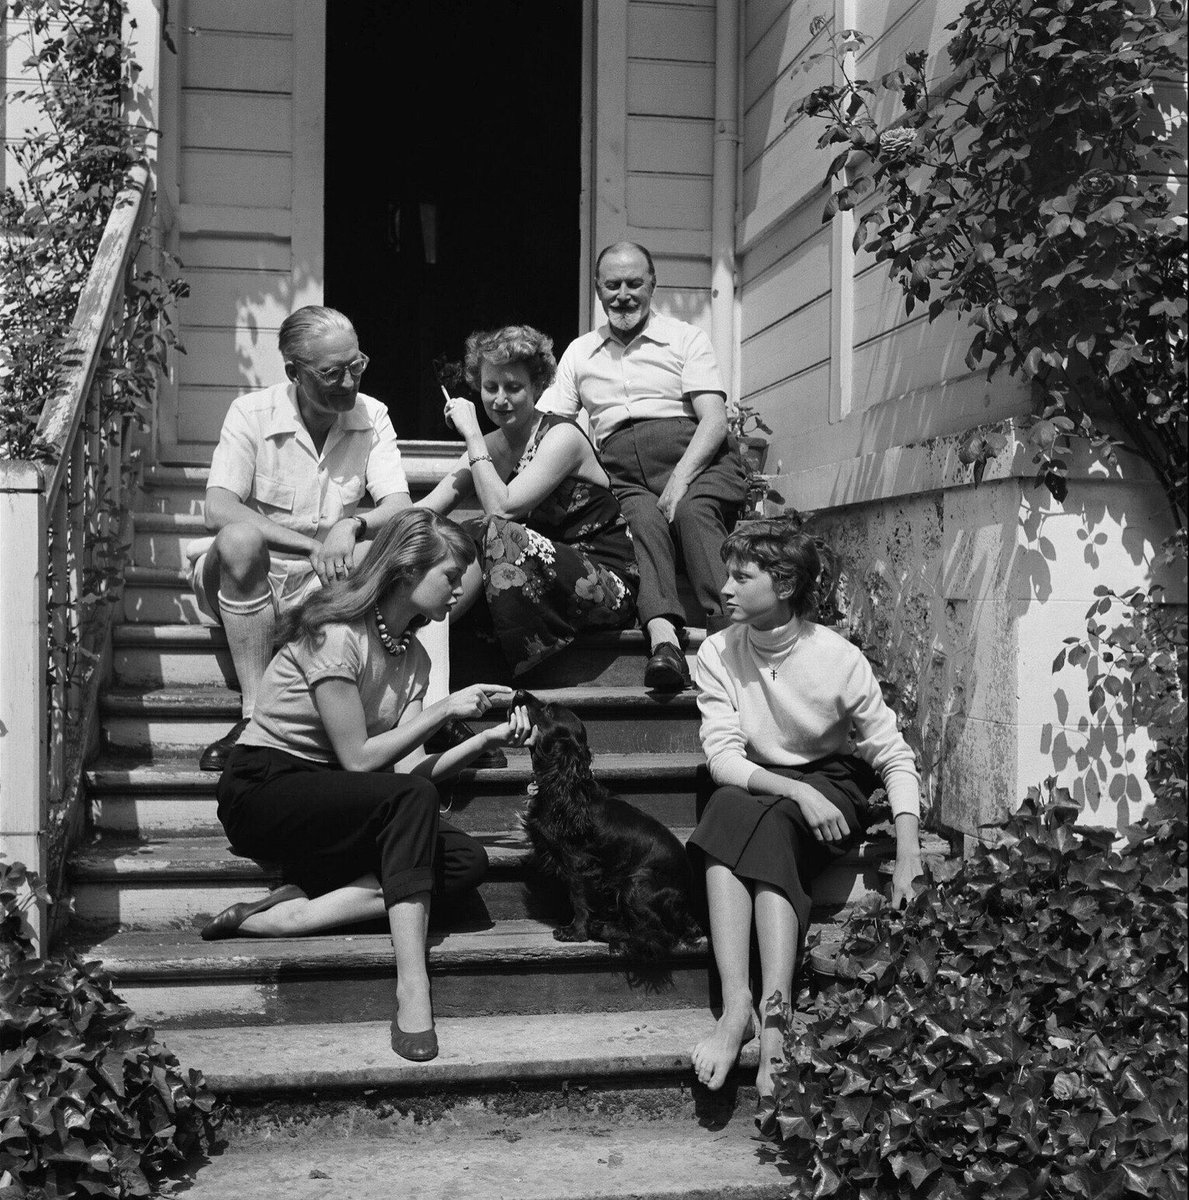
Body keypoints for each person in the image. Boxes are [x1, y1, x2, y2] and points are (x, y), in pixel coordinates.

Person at [201, 509, 531, 1062]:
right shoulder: (336, 634)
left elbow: (408, 776)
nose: (459, 591)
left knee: (464, 860)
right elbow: (359, 760)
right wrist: (446, 708)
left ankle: (295, 915)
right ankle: (412, 985)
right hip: (265, 787)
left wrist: (484, 741)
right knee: (416, 814)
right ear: (407, 570)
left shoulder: (415, 658)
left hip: (334, 801)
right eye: (451, 576)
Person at [686, 517, 923, 1128]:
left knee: (760, 824)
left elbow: (893, 756)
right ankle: (739, 1007)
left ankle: (774, 1018)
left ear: (785, 585)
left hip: (832, 782)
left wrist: (908, 852)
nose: (725, 588)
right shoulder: (717, 652)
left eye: (743, 577)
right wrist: (793, 788)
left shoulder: (837, 658)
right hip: (761, 782)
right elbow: (723, 758)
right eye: (728, 575)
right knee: (727, 806)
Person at [187, 306, 489, 772]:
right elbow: (219, 508)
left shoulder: (372, 414)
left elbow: (398, 505)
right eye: (332, 372)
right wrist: (311, 545)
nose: (349, 382)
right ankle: (252, 716)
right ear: (295, 373)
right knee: (240, 539)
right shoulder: (251, 412)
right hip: (249, 581)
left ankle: (428, 711)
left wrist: (352, 526)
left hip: (326, 583)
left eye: (356, 365)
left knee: (414, 558)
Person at [538, 242, 747, 692]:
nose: (623, 295)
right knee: (641, 521)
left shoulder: (685, 338)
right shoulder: (580, 352)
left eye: (634, 283)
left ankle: (732, 637)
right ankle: (665, 642)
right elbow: (552, 423)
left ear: (653, 284)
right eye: (612, 285)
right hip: (624, 473)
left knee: (693, 512)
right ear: (598, 289)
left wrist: (679, 480)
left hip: (698, 459)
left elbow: (713, 421)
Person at [420, 324, 639, 678]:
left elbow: (501, 509)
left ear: (537, 387)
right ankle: (417, 635)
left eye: (513, 387)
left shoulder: (562, 436)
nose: (499, 399)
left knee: (490, 530)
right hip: (535, 579)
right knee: (442, 537)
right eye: (490, 387)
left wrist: (472, 434)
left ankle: (421, 634)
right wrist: (358, 528)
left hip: (600, 581)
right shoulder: (491, 446)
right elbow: (425, 510)